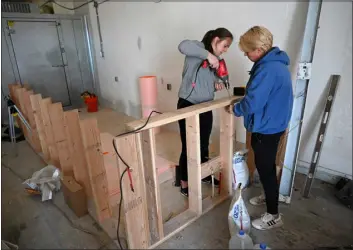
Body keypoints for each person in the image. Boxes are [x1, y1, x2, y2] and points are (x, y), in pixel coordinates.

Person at [229, 26, 293, 230]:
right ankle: (268, 194)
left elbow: (254, 102)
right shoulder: (276, 64)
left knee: (265, 168)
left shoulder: (267, 69)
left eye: (247, 51)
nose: (246, 55)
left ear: (259, 49)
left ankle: (274, 215)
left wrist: (236, 108)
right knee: (265, 166)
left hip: (267, 127)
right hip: (273, 123)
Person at [176, 28, 233, 197]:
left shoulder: (218, 61)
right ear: (216, 40)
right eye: (225, 45)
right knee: (188, 146)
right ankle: (184, 182)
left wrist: (218, 82)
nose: (225, 49)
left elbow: (222, 78)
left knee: (203, 144)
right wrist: (208, 55)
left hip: (206, 106)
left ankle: (204, 175)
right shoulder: (197, 47)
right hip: (188, 104)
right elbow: (182, 45)